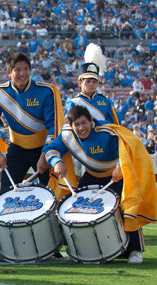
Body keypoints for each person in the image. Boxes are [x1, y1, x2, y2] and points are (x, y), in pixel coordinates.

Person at [44, 105, 157, 264]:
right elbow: (51, 149)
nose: (81, 128)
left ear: (91, 121)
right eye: (77, 125)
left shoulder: (106, 132)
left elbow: (126, 147)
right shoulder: (66, 135)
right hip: (92, 175)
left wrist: (119, 165)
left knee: (127, 207)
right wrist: (57, 162)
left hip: (116, 175)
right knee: (75, 205)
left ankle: (135, 250)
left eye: (84, 123)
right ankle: (82, 248)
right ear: (71, 126)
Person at [0, 52, 64, 193]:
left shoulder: (45, 91)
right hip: (17, 149)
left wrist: (45, 155)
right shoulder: (0, 93)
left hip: (43, 149)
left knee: (52, 192)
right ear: (9, 72)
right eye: (17, 70)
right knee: (5, 193)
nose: (22, 73)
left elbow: (53, 127)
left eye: (26, 69)